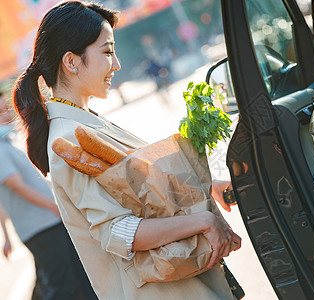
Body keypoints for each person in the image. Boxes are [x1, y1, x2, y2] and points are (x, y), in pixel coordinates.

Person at [12, 1, 241, 299]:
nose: (117, 64)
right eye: (107, 52)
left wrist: (206, 187)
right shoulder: (66, 141)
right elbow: (120, 232)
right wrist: (203, 220)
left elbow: (139, 192)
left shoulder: (86, 122)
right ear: (71, 61)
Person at [0, 91, 96, 299]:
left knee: (82, 276)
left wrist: (6, 236)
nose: (7, 116)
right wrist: (56, 208)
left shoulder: (9, 142)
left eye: (6, 109)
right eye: (0, 113)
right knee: (63, 286)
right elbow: (18, 187)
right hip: (41, 227)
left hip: (49, 222)